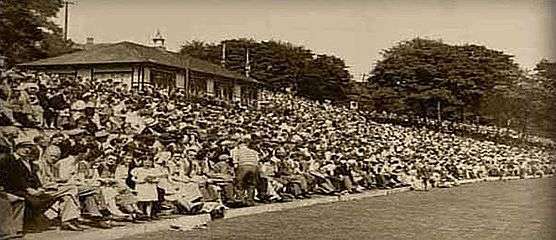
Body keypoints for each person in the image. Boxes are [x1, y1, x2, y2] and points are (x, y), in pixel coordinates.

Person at [0, 137, 82, 231]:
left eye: (30, 148)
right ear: (17, 148)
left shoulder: (32, 163)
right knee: (72, 189)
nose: (27, 150)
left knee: (68, 195)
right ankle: (71, 218)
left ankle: (68, 220)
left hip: (33, 189)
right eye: (24, 147)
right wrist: (30, 189)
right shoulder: (12, 160)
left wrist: (38, 187)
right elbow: (15, 179)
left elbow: (35, 180)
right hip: (18, 190)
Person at [231, 136, 260, 206]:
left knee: (239, 183)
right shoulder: (253, 151)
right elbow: (258, 160)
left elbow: (235, 162)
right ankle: (250, 200)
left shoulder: (236, 150)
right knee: (251, 184)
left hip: (243, 166)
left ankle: (241, 200)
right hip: (254, 166)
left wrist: (235, 171)